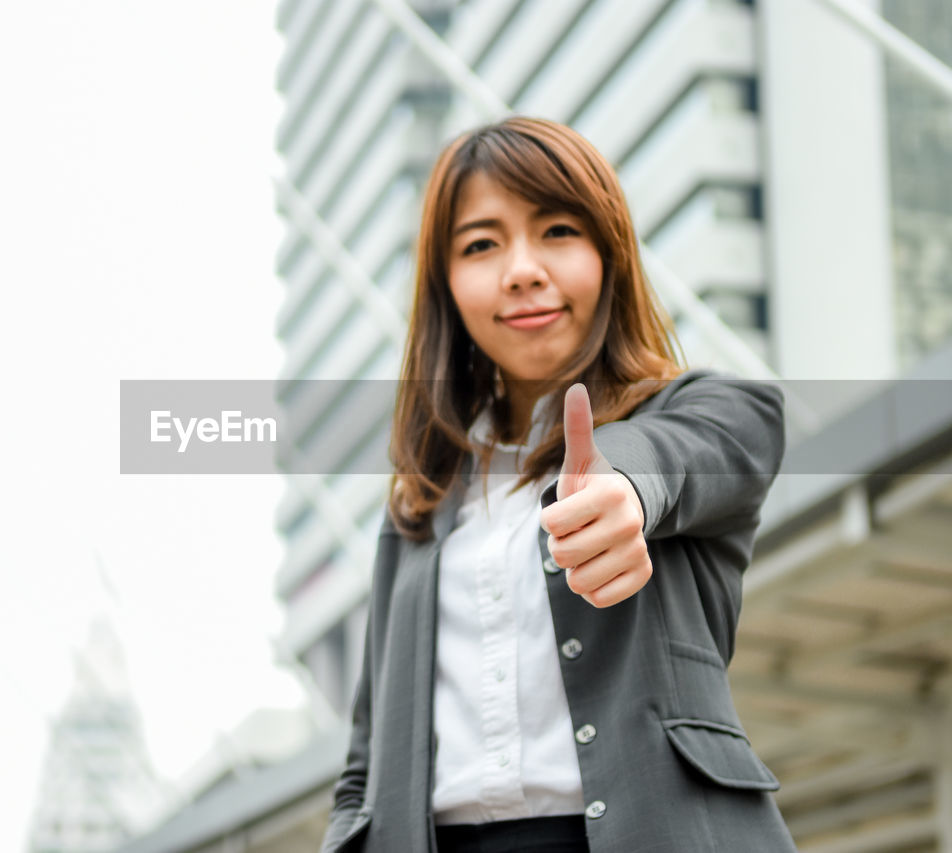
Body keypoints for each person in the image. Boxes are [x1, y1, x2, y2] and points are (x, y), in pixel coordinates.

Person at [319, 116, 796, 853]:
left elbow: (696, 451)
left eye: (558, 231)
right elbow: (366, 762)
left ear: (610, 256)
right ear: (446, 286)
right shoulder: (419, 503)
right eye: (480, 244)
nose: (521, 269)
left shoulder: (710, 413)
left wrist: (626, 491)